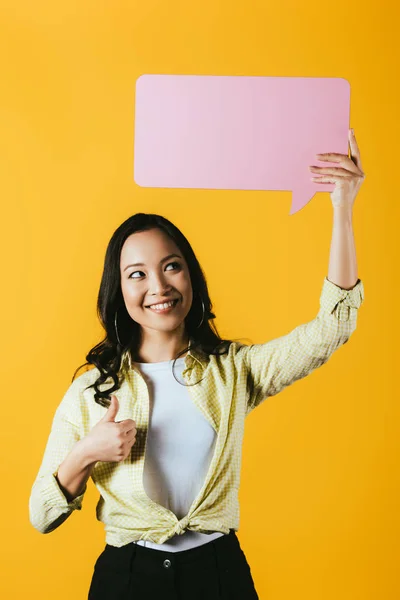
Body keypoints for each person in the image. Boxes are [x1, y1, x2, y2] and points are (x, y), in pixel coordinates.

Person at [29, 130, 366, 599]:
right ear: (119, 290)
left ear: (190, 274)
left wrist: (342, 205)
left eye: (171, 266)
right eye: (137, 274)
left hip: (219, 574)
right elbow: (42, 515)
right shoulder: (92, 392)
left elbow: (331, 328)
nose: (158, 287)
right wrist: (86, 452)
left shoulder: (235, 372)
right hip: (126, 578)